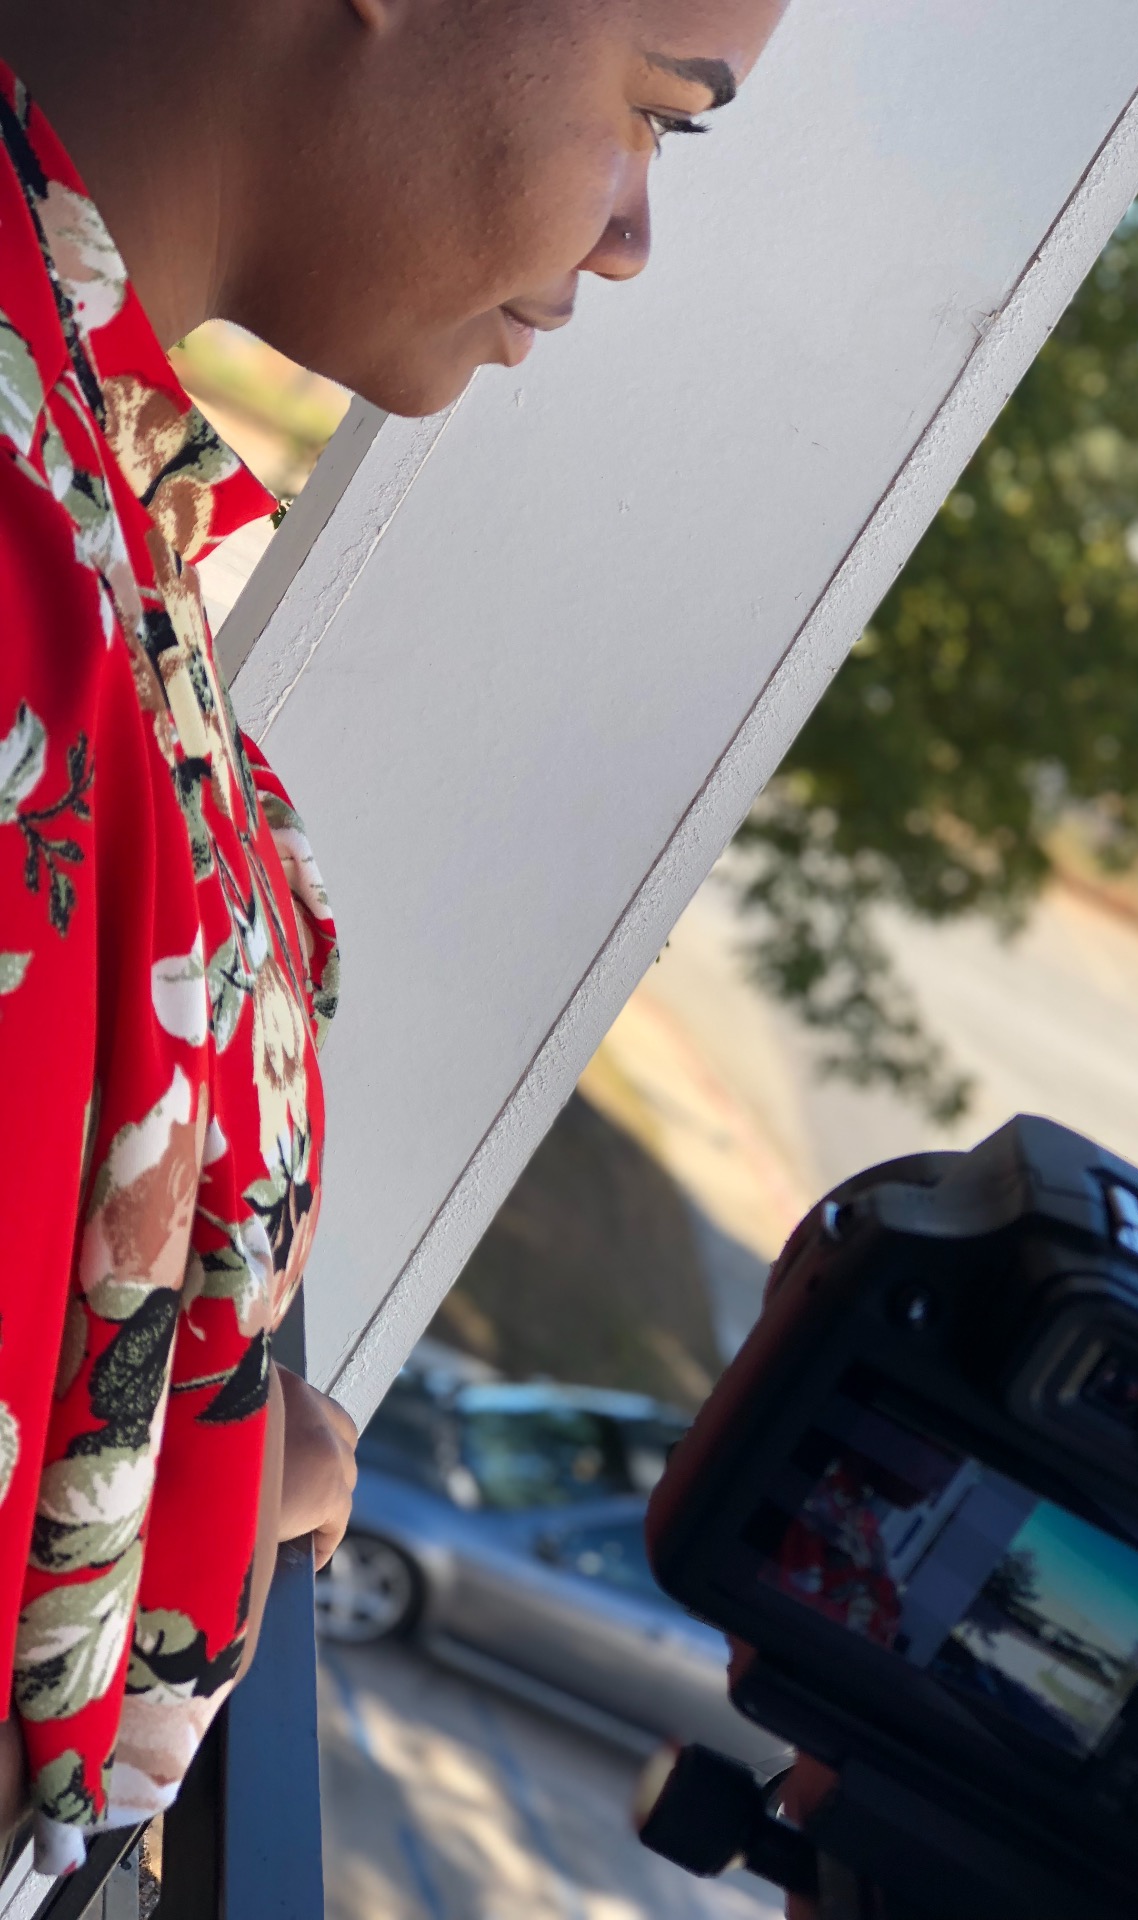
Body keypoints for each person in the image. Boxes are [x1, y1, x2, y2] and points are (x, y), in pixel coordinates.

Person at [0, 0, 784, 1873]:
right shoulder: (24, 557)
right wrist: (190, 1511)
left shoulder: (85, 471)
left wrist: (194, 1453)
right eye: (658, 112)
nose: (634, 232)